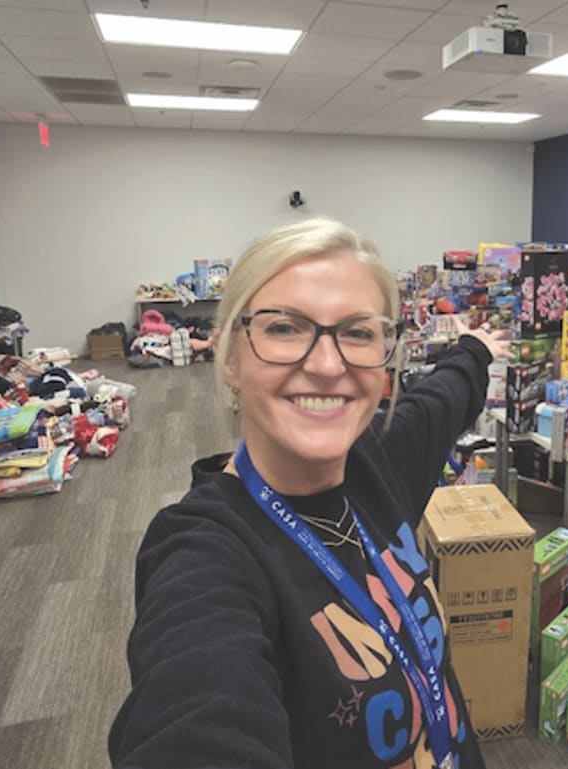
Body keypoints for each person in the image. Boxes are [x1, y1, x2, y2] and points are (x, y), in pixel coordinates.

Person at [109, 218, 509, 769]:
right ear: (230, 356)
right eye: (285, 328)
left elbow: (445, 396)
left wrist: (476, 349)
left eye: (358, 332)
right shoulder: (204, 552)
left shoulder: (377, 464)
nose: (327, 364)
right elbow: (196, 712)